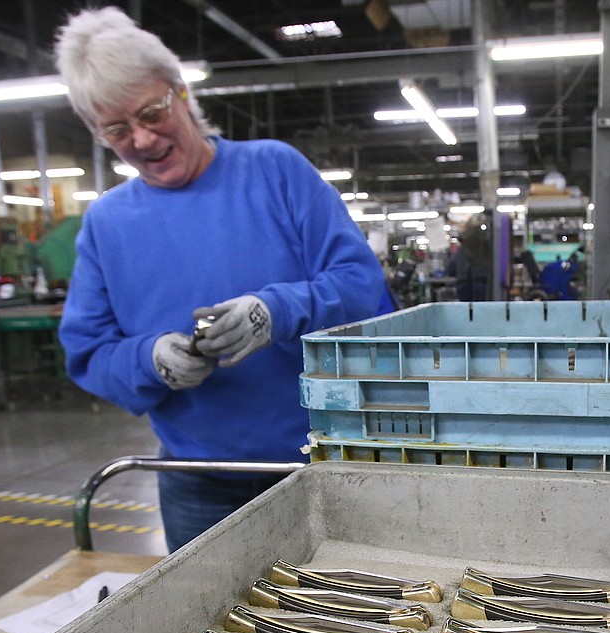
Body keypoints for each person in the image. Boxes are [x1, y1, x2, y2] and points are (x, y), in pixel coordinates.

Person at [53, 7, 387, 551]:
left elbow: (362, 286)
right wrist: (150, 359)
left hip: (320, 463)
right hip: (197, 480)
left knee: (342, 617)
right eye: (116, 129)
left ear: (180, 92)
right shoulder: (106, 224)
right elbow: (88, 351)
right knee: (211, 631)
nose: (140, 139)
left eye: (151, 112)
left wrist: (274, 312)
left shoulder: (276, 172)